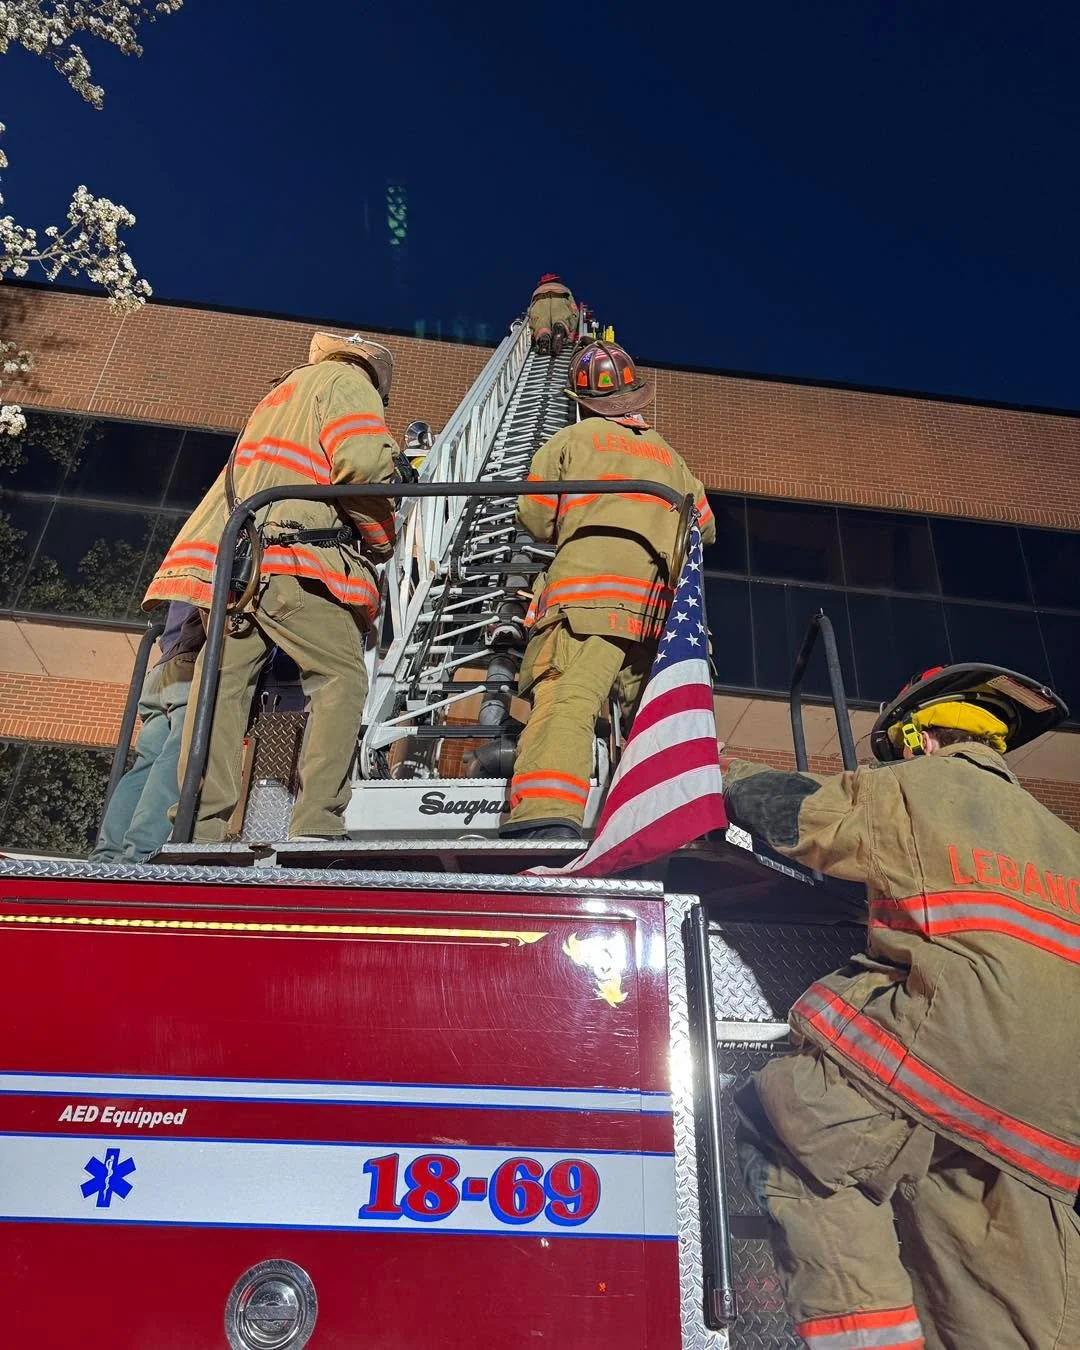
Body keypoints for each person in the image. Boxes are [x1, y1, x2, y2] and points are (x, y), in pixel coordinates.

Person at [721, 663, 1079, 1350]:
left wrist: (725, 775)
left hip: (941, 1050)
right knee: (988, 1268)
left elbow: (803, 818)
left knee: (788, 1131)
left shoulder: (917, 788)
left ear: (920, 740)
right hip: (1050, 1111)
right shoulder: (1067, 842)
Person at [143, 331, 401, 842]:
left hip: (236, 571)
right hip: (297, 560)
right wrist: (381, 535)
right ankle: (317, 828)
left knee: (220, 688)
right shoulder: (349, 382)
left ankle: (198, 830)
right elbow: (364, 466)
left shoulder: (278, 395)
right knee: (340, 679)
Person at [500, 340, 715, 840]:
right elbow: (705, 529)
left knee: (568, 700)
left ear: (581, 398)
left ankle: (547, 817)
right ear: (635, 397)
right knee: (657, 721)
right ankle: (675, 822)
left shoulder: (570, 441)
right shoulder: (672, 458)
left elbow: (535, 516)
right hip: (665, 618)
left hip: (587, 606)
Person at [89, 602, 205, 862]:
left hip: (163, 666)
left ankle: (107, 857)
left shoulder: (185, 563)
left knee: (146, 763)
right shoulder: (217, 562)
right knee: (177, 753)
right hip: (192, 662)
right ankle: (141, 855)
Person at [528, 273, 578, 355]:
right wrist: (571, 336)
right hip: (561, 297)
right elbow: (574, 310)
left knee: (541, 321)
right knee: (562, 317)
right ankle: (560, 327)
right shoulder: (564, 289)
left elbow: (531, 312)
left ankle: (543, 335)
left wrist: (532, 333)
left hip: (540, 299)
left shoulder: (537, 291)